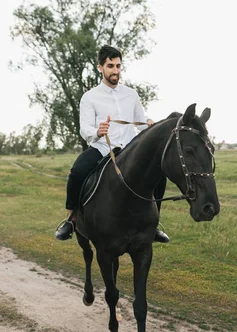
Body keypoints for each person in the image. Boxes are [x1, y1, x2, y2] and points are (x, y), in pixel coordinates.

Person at [55, 45, 170, 243]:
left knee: (159, 175)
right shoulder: (89, 97)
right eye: (110, 66)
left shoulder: (131, 95)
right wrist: (97, 132)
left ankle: (154, 224)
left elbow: (141, 123)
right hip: (102, 149)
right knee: (77, 172)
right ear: (100, 67)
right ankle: (71, 219)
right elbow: (85, 129)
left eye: (118, 66)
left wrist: (149, 125)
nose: (115, 70)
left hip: (130, 149)